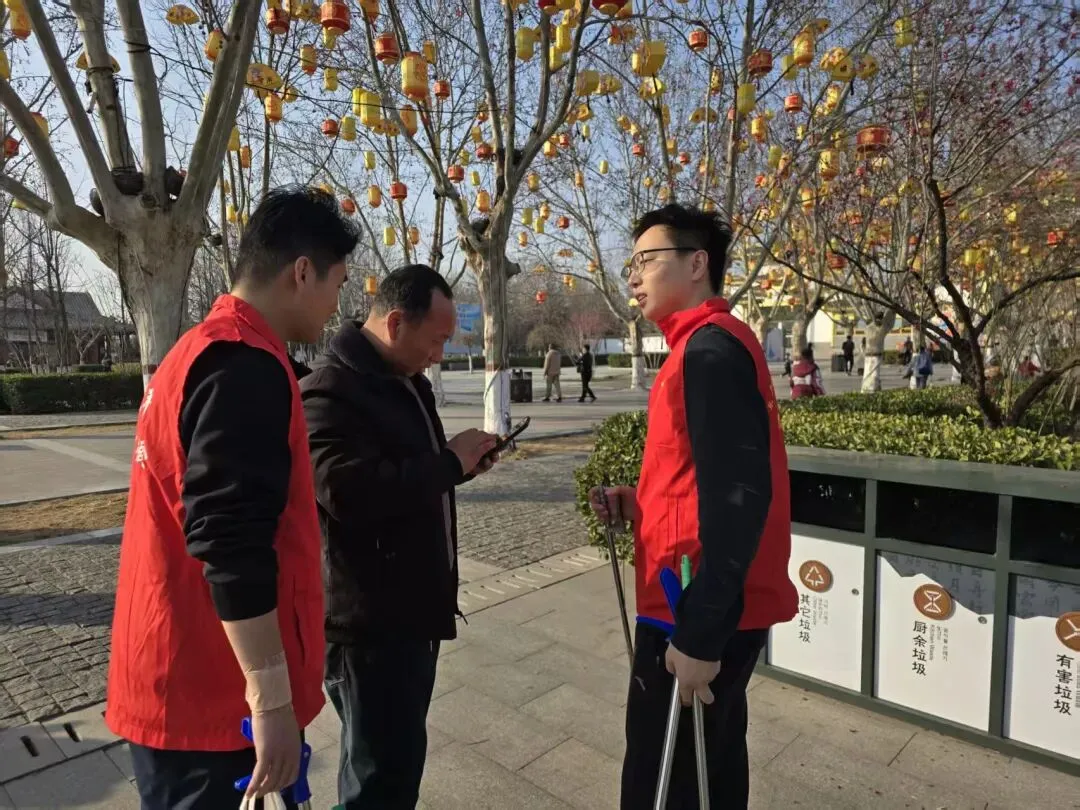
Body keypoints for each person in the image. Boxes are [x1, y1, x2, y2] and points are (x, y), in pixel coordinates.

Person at [105, 186, 358, 808]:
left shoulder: (201, 348)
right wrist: (270, 699)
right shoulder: (241, 366)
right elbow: (231, 541)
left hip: (184, 672)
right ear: (303, 272)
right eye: (338, 284)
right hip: (209, 692)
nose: (336, 306)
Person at [589, 203, 797, 809]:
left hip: (692, 606)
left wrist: (702, 634)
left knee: (669, 782)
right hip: (685, 593)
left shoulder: (709, 351)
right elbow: (700, 481)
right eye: (631, 264)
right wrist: (637, 506)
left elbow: (739, 498)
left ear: (697, 263)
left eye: (647, 260)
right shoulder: (696, 348)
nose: (634, 276)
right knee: (708, 765)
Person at [300, 265, 499, 809]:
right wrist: (447, 463)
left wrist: (461, 466)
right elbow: (347, 493)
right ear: (394, 323)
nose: (438, 354)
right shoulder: (329, 389)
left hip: (409, 616)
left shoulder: (404, 379)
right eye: (435, 340)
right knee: (376, 780)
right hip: (367, 627)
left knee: (398, 765)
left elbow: (412, 474)